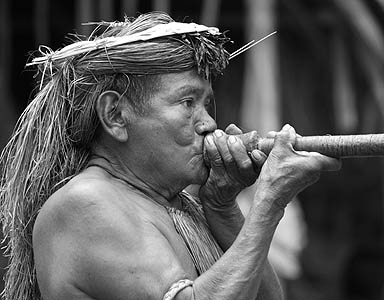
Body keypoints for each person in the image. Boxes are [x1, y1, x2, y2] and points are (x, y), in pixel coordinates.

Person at [0, 12, 341, 300]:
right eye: (187, 102)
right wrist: (268, 204)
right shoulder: (85, 205)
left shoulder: (176, 205)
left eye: (207, 103)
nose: (209, 123)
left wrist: (222, 209)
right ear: (116, 116)